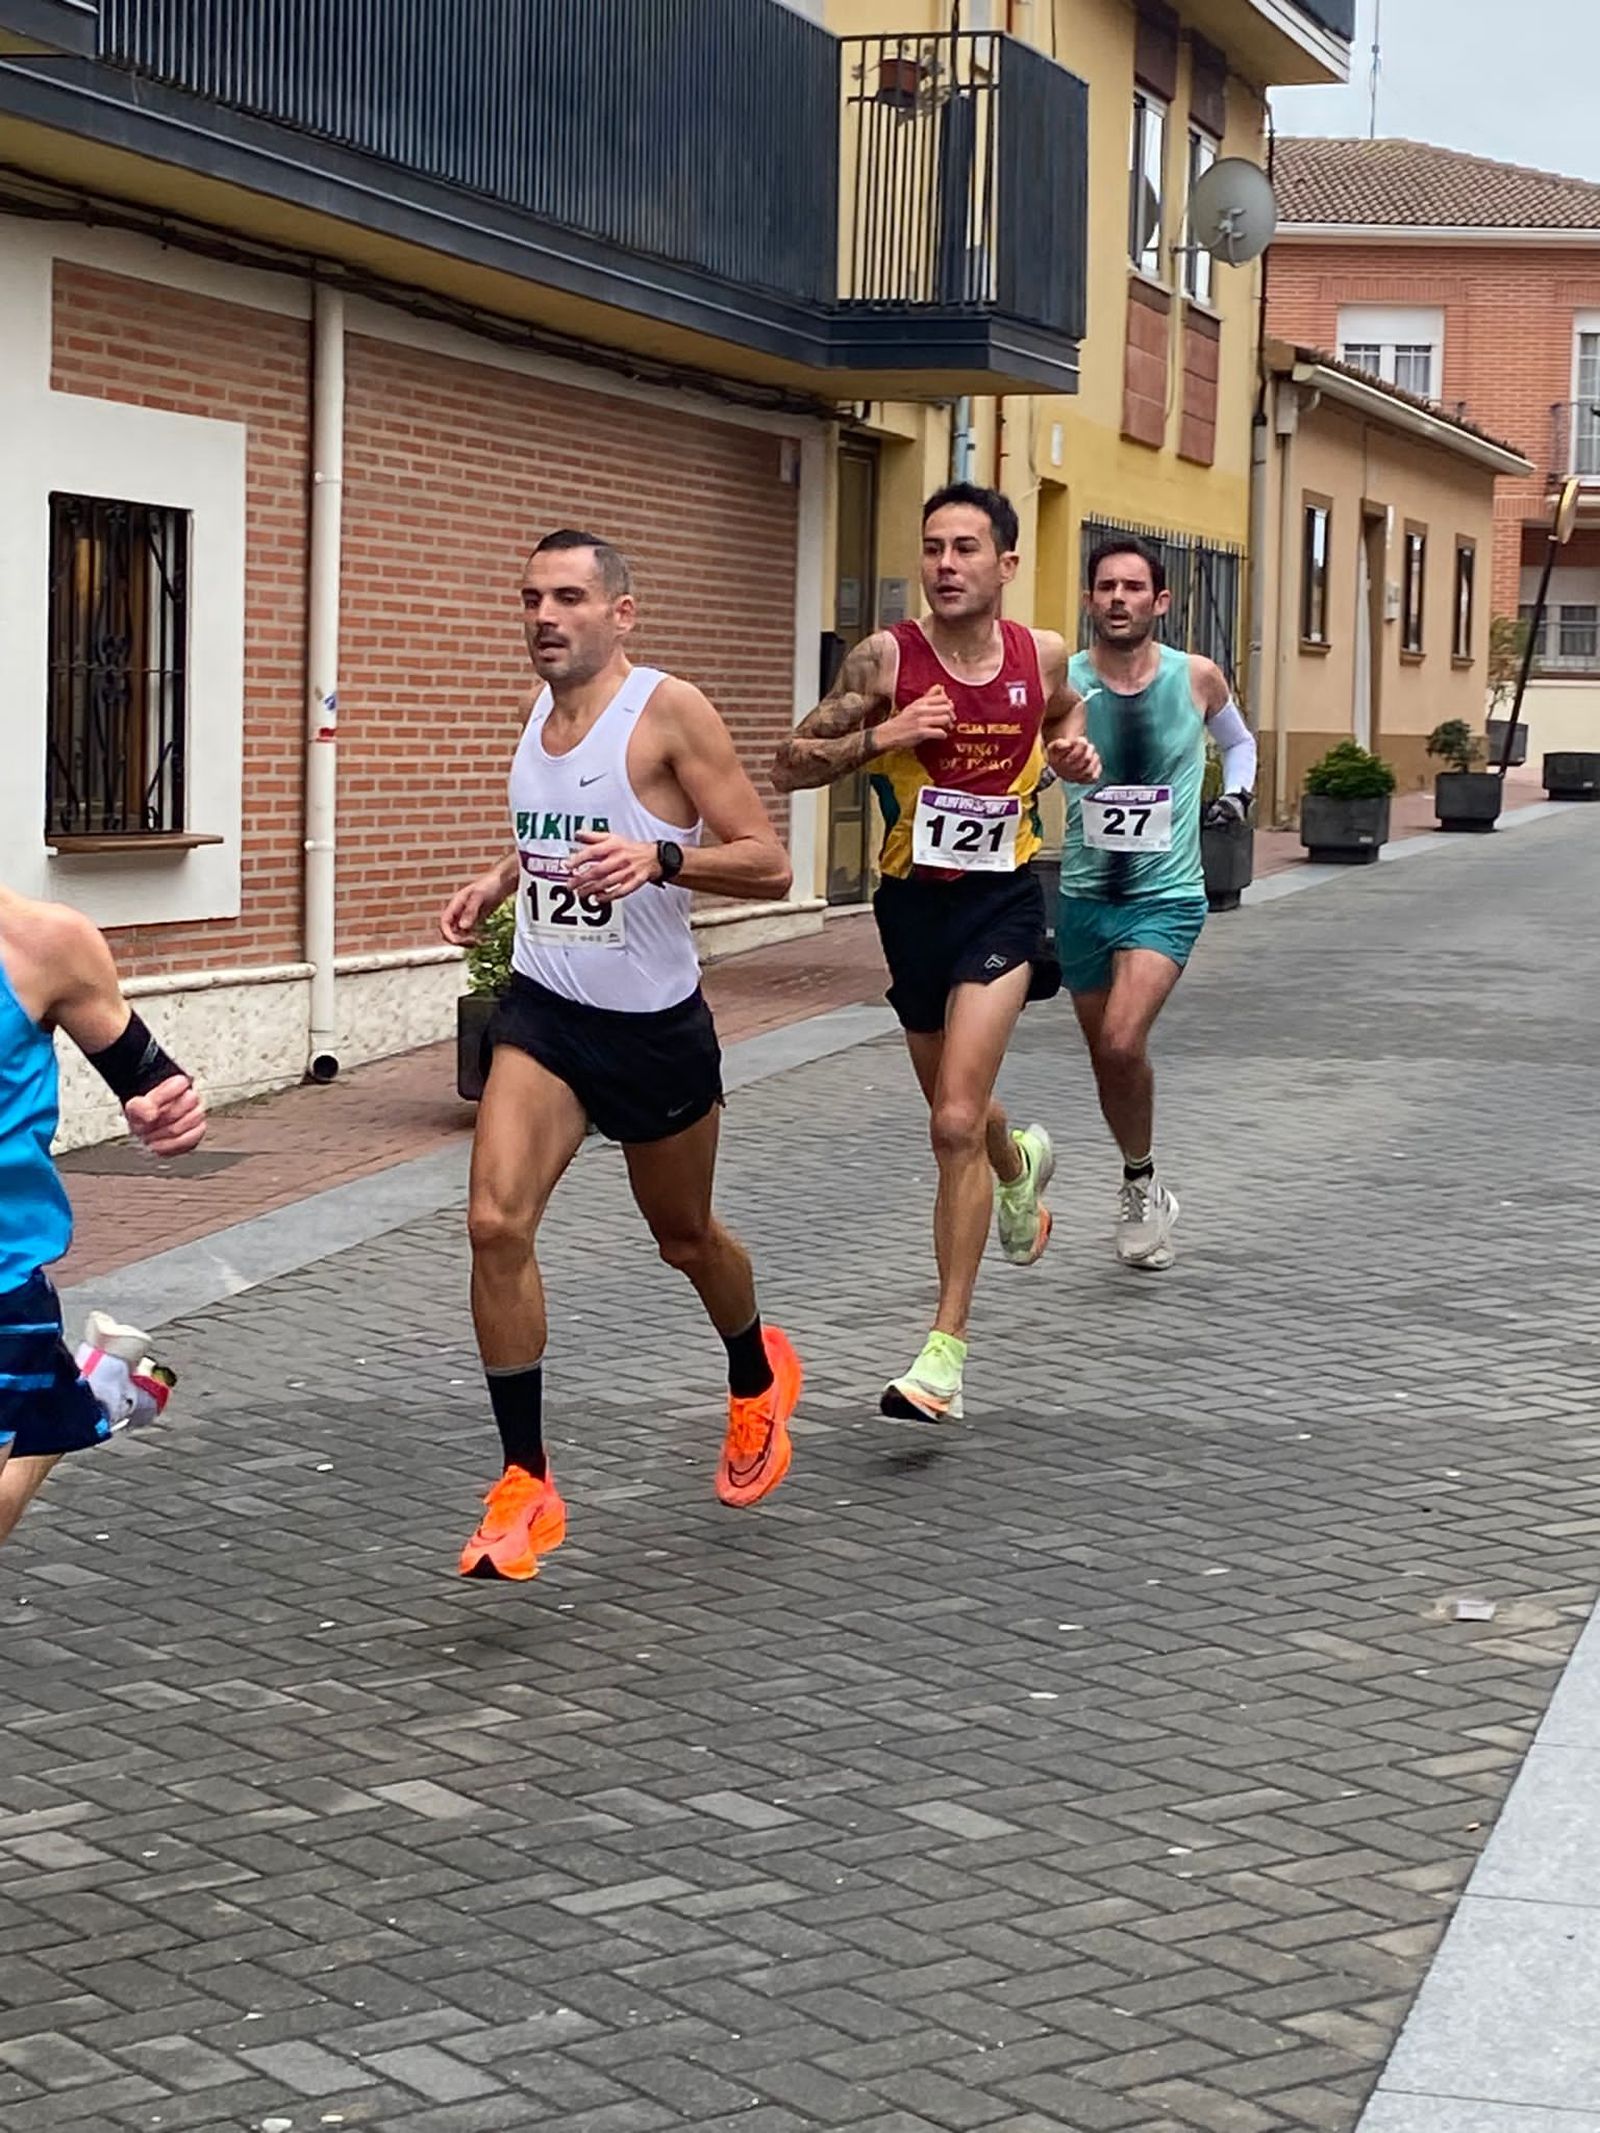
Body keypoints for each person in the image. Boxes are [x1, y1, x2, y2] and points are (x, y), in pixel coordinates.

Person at [440, 529, 803, 1582]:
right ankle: (526, 1483)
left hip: (654, 1028)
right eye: (530, 600)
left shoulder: (668, 710)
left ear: (620, 613)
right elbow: (557, 828)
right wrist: (500, 880)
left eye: (568, 599)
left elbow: (770, 861)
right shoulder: (540, 712)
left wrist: (664, 858)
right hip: (548, 1011)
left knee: (685, 1238)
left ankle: (755, 1375)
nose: (545, 618)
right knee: (493, 1222)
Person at [772, 483, 1099, 1425]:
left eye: (965, 548)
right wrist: (886, 734)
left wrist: (1071, 752)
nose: (945, 565)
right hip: (911, 905)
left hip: (1005, 901)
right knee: (961, 1108)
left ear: (1005, 563)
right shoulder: (887, 657)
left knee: (951, 1120)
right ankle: (1018, 1163)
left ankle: (943, 1356)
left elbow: (1064, 714)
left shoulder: (1040, 653)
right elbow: (788, 760)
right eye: (932, 548)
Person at [1055, 535, 1257, 1270]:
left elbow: (1239, 743)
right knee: (1108, 1059)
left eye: (1133, 587)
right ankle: (1142, 1175)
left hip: (1166, 895)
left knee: (1119, 1040)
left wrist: (1235, 793)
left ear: (1159, 602)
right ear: (1089, 600)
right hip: (1083, 893)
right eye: (1105, 586)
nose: (1118, 598)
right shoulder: (1064, 682)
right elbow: (1036, 762)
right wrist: (1056, 767)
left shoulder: (1196, 677)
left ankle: (1138, 1188)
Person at [0, 884, 204, 1548]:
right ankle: (84, 1394)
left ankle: (74, 1397)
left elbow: (156, 1085)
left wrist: (165, 1110)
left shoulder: (43, 944)